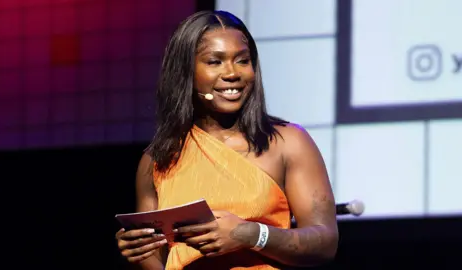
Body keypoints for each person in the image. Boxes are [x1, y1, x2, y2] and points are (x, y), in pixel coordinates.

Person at [116, 10, 338, 270]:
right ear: (186, 71)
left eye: (243, 61)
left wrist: (250, 234)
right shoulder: (157, 160)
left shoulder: (287, 142)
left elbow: (324, 243)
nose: (232, 73)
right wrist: (142, 253)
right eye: (214, 62)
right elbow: (163, 262)